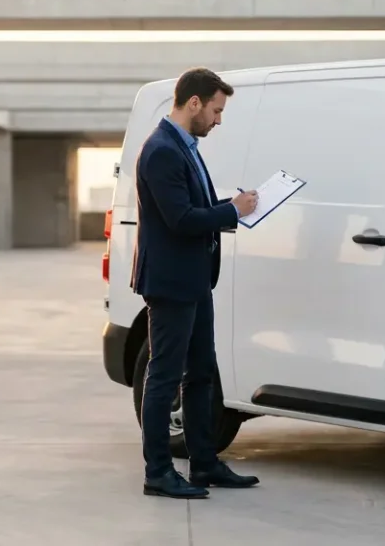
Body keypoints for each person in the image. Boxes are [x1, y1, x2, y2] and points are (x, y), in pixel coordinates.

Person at [132, 67, 261, 499]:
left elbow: (193, 206)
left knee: (202, 372)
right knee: (164, 377)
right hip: (171, 284)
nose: (218, 120)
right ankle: (158, 473)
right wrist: (232, 212)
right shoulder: (162, 150)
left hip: (193, 280)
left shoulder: (184, 146)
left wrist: (232, 206)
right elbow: (181, 219)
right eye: (216, 110)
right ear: (194, 104)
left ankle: (204, 463)